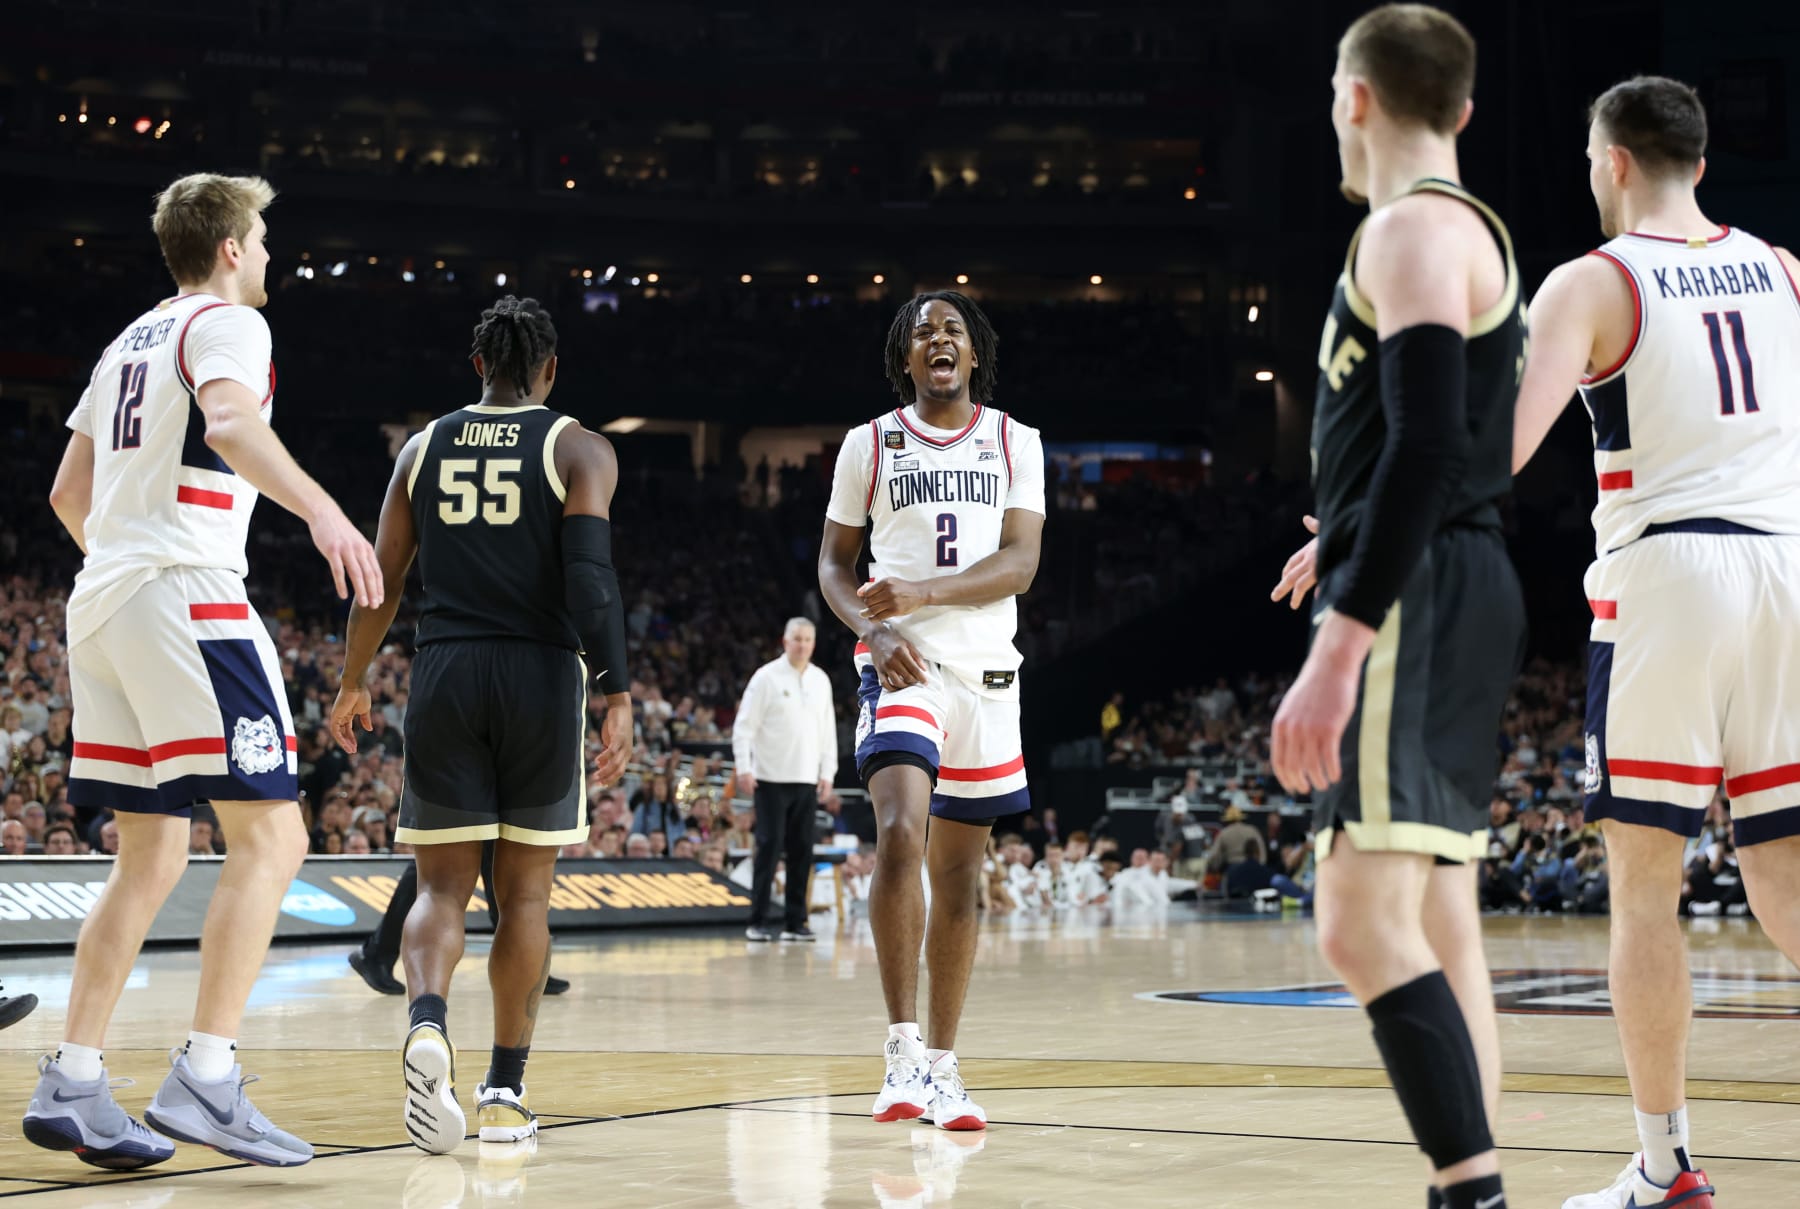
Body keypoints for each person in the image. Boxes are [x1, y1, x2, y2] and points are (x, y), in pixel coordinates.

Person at [25, 172, 382, 1171]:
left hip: (102, 599)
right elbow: (228, 425)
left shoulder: (125, 342)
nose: (267, 256)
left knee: (150, 858)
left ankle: (75, 1080)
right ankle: (209, 1076)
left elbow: (68, 491)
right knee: (274, 838)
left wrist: (134, 555)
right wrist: (322, 510)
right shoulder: (227, 324)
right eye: (261, 240)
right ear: (230, 246)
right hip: (186, 592)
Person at [1510, 76, 1800, 1209]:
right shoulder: (1782, 271)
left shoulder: (1595, 279)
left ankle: (1664, 1163)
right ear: (1701, 162)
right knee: (1782, 868)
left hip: (1668, 573)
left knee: (1644, 884)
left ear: (1615, 161)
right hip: (1785, 568)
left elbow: (1505, 449)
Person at [1267, 9, 1525, 1208]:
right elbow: (1440, 447)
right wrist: (1354, 535)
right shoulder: (1460, 227)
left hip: (1424, 595)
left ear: (1355, 97)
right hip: (1451, 574)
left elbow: (1428, 446)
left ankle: (1466, 1189)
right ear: (1462, 109)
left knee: (1357, 923)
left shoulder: (1412, 227)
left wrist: (1340, 642)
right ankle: (1481, 1180)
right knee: (1438, 915)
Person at [329, 295, 631, 1155]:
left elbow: (378, 582)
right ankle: (503, 1089)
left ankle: (427, 1021)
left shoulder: (422, 448)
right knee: (526, 895)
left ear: (476, 367)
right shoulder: (578, 446)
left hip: (446, 669)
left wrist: (353, 682)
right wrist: (617, 692)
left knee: (438, 890)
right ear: (551, 369)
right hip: (538, 673)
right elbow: (590, 580)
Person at [818, 289, 1045, 1133]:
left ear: (973, 353)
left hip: (987, 671)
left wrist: (921, 588)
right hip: (901, 662)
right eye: (923, 333)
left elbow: (1020, 562)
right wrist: (877, 629)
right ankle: (902, 1050)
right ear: (905, 360)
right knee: (900, 831)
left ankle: (946, 1069)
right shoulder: (867, 443)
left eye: (951, 329)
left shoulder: (1015, 440)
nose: (938, 339)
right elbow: (835, 567)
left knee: (960, 875)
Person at [732, 617, 838, 942]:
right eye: (797, 638)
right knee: (769, 848)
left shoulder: (821, 680)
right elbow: (743, 727)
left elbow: (828, 731)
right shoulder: (766, 678)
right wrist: (744, 768)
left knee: (802, 850)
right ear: (785, 640)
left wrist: (828, 772)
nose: (802, 644)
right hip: (770, 778)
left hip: (807, 779)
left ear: (813, 643)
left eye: (807, 639)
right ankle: (758, 920)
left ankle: (796, 922)